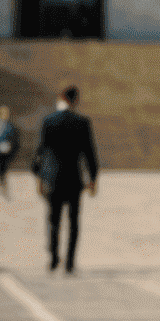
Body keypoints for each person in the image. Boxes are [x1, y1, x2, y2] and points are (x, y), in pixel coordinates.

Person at [33, 86, 98, 274]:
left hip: (52, 178)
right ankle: (69, 262)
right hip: (73, 178)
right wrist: (92, 178)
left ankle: (53, 259)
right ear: (75, 100)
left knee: (53, 221)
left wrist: (39, 176)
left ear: (61, 98)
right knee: (73, 222)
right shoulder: (82, 122)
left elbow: (40, 151)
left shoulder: (49, 121)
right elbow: (89, 153)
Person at [0, 106, 19, 199]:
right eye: (2, 113)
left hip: (4, 154)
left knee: (2, 172)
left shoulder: (11, 127)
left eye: (5, 113)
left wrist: (10, 152)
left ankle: (3, 191)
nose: (4, 115)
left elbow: (15, 142)